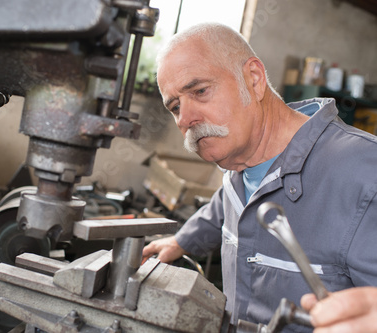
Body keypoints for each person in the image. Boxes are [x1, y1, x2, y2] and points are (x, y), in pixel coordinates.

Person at [142, 22, 377, 332]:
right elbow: (226, 204)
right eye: (175, 106)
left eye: (199, 91)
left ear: (253, 79)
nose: (185, 119)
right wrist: (181, 241)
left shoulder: (365, 173)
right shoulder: (239, 163)